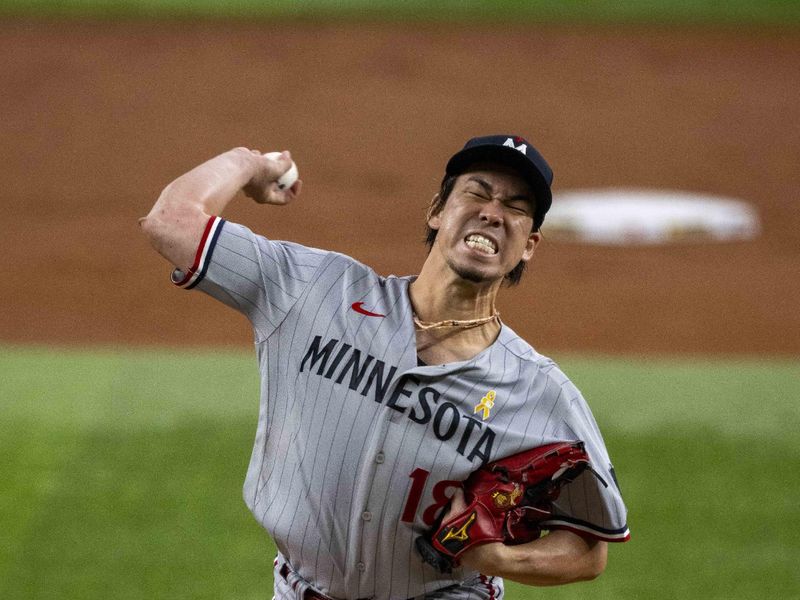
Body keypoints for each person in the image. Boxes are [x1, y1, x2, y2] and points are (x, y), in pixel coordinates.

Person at [140, 134, 629, 600]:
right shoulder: (314, 291)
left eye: (516, 208)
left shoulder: (540, 393)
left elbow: (588, 550)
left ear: (529, 245)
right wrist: (248, 163)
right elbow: (170, 222)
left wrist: (501, 559)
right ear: (437, 212)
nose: (493, 213)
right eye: (477, 193)